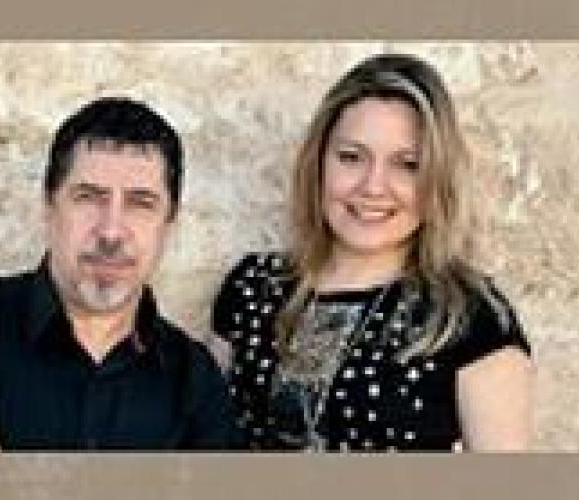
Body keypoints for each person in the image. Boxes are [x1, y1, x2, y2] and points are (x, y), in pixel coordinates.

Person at [212, 54, 534, 452]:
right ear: (318, 162)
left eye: (408, 165)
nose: (373, 186)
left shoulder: (466, 315)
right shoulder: (254, 286)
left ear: (437, 179)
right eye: (351, 157)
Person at [0, 97, 238, 451]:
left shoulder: (197, 387)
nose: (111, 232)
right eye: (89, 197)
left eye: (140, 203)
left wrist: (5, 477)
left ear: (168, 226)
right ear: (49, 207)